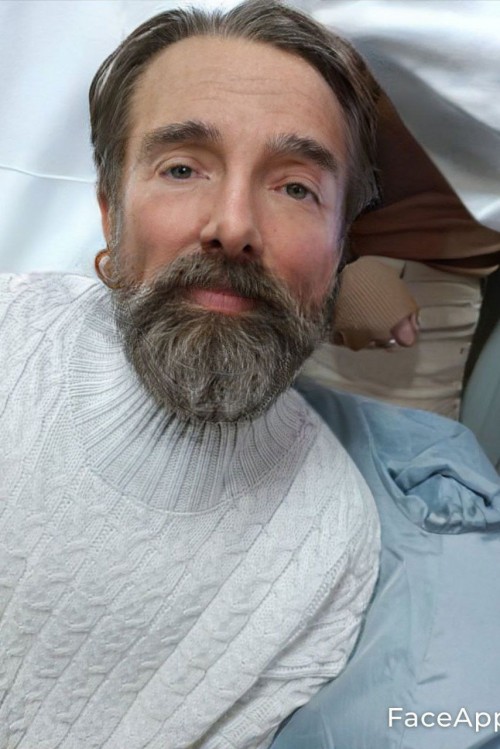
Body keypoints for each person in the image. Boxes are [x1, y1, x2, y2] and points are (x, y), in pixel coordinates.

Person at [0, 3, 498, 749]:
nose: (233, 226)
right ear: (109, 214)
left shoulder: (330, 551)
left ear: (340, 251)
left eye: (296, 188)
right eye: (181, 168)